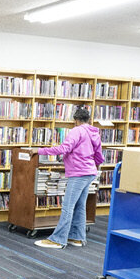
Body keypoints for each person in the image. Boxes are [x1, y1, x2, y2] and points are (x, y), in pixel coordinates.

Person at [33, 106, 103, 249]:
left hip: (79, 173)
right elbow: (99, 156)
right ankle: (77, 237)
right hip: (90, 172)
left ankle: (58, 239)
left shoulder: (77, 130)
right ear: (88, 119)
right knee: (80, 206)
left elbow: (63, 148)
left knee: (67, 206)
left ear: (76, 120)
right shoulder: (94, 132)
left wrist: (39, 150)